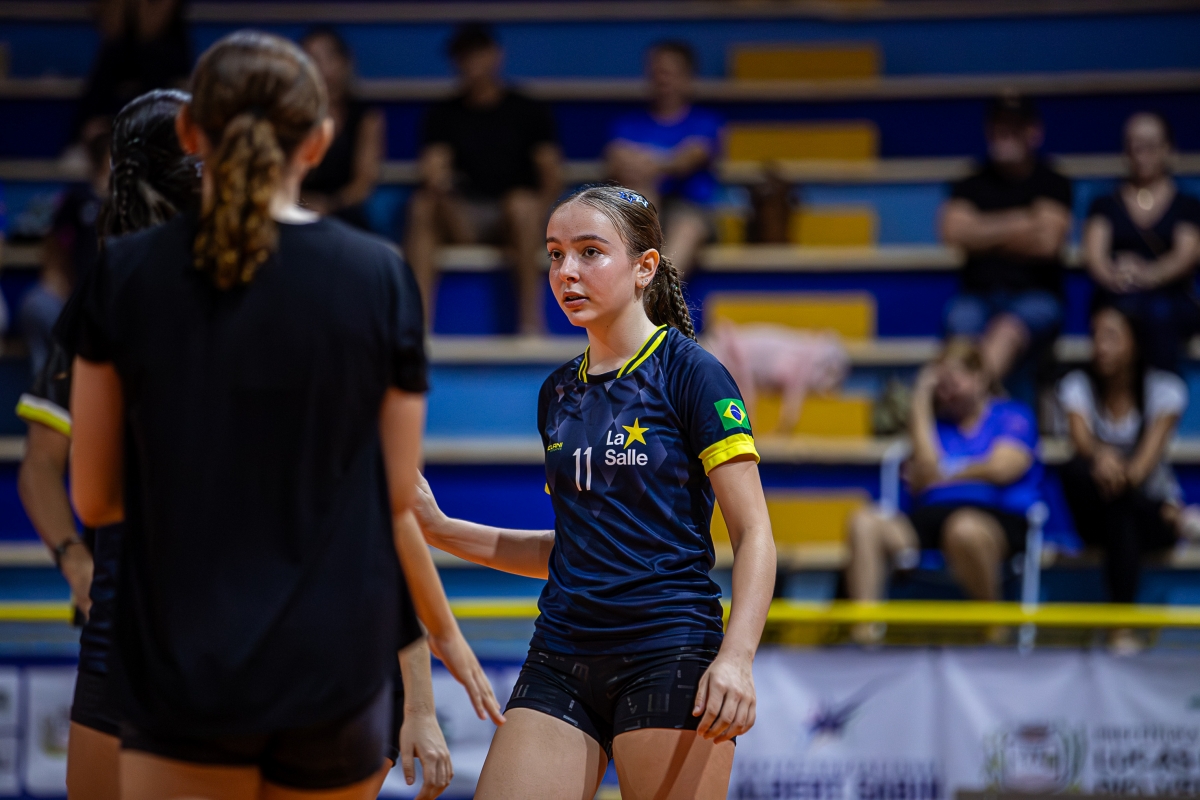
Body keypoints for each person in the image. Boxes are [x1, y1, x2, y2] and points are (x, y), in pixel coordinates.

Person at [68, 33, 499, 799]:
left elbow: (97, 499)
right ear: (320, 141)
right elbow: (393, 498)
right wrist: (441, 638)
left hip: (184, 657)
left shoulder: (125, 274)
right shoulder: (379, 274)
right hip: (332, 665)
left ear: (192, 133)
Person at [413, 184, 776, 799]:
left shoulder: (694, 372)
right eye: (555, 254)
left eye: (589, 252)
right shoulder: (557, 392)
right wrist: (440, 529)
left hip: (669, 647)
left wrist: (737, 659)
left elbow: (754, 533)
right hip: (561, 650)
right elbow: (574, 551)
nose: (566, 271)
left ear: (645, 267)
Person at [16, 88, 197, 800]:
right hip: (128, 608)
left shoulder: (274, 288)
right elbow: (42, 467)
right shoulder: (101, 304)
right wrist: (74, 559)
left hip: (235, 610)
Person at [846, 340, 1042, 638]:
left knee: (963, 528)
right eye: (941, 383)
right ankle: (865, 635)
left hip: (996, 518)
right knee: (863, 522)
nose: (946, 391)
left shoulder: (1012, 415)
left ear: (980, 377)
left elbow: (1002, 468)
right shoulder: (934, 425)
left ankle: (995, 628)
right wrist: (921, 398)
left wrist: (944, 473)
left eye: (954, 380)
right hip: (931, 518)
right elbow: (927, 467)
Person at [405, 23, 562, 334]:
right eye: (464, 57)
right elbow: (433, 165)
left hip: (514, 217)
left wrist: (539, 214)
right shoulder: (444, 113)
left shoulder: (527, 109)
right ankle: (416, 327)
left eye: (478, 54)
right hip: (464, 216)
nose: (472, 64)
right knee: (422, 206)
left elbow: (551, 174)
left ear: (496, 56)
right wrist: (437, 177)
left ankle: (531, 323)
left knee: (521, 204)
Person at [1058, 305, 1197, 650]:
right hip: (1098, 510)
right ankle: (1177, 518)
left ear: (1135, 342)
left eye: (1111, 336)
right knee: (1077, 470)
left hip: (1142, 512)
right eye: (1095, 336)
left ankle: (1119, 626)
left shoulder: (1165, 390)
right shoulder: (1076, 385)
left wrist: (1112, 466)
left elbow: (1140, 469)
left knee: (1122, 514)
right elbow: (1081, 442)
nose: (1100, 346)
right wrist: (1100, 456)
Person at [940, 94, 1072, 384]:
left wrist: (982, 229)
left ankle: (976, 394)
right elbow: (953, 233)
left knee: (1008, 329)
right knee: (960, 324)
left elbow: (1048, 242)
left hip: (1036, 296)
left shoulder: (1053, 182)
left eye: (1014, 126)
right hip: (976, 296)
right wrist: (1024, 222)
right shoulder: (970, 181)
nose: (1004, 134)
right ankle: (977, 398)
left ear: (1034, 133)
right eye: (998, 125)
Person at [1083, 112, 1200, 373]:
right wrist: (1118, 276)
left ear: (1168, 149)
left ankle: (1161, 390)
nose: (1141, 153)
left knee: (1159, 312)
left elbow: (1185, 255)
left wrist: (1146, 275)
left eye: (1150, 145)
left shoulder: (1187, 205)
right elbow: (1095, 256)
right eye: (1134, 145)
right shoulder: (1105, 203)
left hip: (1170, 298)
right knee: (1115, 318)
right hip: (1118, 294)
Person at [606, 41, 720, 278]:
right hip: (642, 204)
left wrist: (647, 162)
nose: (662, 79)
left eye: (670, 72)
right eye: (656, 72)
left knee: (687, 227)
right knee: (641, 196)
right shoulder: (629, 123)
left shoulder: (704, 122)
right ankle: (634, 289)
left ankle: (656, 294)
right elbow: (616, 159)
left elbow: (689, 158)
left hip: (690, 208)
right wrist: (666, 163)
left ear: (687, 77)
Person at [23, 127, 110, 377]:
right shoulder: (78, 197)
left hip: (110, 298)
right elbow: (54, 244)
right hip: (74, 295)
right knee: (36, 305)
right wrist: (55, 280)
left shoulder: (129, 200)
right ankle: (45, 386)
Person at [68, 0, 190, 166]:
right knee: (112, 53)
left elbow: (149, 28)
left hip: (164, 52)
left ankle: (153, 138)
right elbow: (113, 29)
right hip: (124, 53)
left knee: (151, 57)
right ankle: (82, 139)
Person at [298, 27, 384, 231]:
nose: (320, 67)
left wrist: (330, 206)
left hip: (345, 211)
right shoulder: (290, 117)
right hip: (297, 208)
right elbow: (281, 179)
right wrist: (305, 203)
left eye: (327, 58)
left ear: (345, 62)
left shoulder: (366, 117)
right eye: (311, 60)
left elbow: (363, 183)